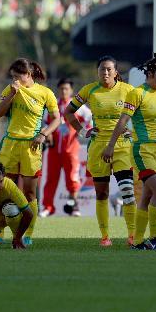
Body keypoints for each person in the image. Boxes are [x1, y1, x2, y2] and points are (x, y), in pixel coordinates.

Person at [103, 53, 156, 250]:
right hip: (143, 149)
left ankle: (139, 240)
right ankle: (154, 237)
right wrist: (110, 145)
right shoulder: (137, 93)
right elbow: (123, 121)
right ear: (150, 74)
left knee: (147, 196)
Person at [64, 55, 137, 247]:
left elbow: (141, 113)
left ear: (115, 72)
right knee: (102, 194)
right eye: (101, 69)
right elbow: (68, 112)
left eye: (108, 69)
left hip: (122, 146)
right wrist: (82, 131)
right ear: (97, 72)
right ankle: (105, 237)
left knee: (127, 192)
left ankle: (132, 235)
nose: (105, 73)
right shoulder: (89, 90)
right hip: (98, 148)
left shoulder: (128, 90)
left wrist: (134, 132)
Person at [0, 58, 60, 246]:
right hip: (11, 145)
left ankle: (27, 234)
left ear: (29, 75)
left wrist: (43, 134)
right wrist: (12, 95)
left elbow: (57, 119)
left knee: (29, 193)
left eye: (17, 76)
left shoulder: (45, 93)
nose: (14, 80)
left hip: (31, 147)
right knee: (4, 190)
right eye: (12, 76)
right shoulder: (11, 90)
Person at [41, 78, 92, 217]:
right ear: (58, 90)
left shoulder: (77, 106)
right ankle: (48, 207)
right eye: (61, 88)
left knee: (72, 178)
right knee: (51, 179)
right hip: (53, 150)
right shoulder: (52, 105)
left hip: (71, 149)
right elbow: (44, 123)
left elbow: (90, 119)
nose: (64, 91)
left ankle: (74, 206)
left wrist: (83, 131)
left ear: (71, 90)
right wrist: (47, 134)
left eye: (66, 89)